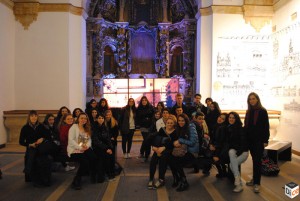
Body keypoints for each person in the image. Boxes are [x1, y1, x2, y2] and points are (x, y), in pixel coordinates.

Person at [244, 92, 270, 193]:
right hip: (249, 140)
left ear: (257, 99)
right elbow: (246, 126)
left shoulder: (263, 111)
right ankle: (254, 179)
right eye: (250, 99)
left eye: (253, 98)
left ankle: (257, 183)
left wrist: (265, 140)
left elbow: (266, 126)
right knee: (253, 161)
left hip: (258, 141)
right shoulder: (248, 111)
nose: (252, 101)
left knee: (257, 162)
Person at [19, 110, 51, 186]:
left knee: (42, 158)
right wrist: (29, 144)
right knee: (32, 153)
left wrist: (42, 139)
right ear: (29, 117)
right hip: (31, 147)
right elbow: (21, 141)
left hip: (41, 146)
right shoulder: (25, 128)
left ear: (37, 117)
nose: (34, 118)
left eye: (35, 116)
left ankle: (29, 170)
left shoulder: (41, 126)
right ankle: (36, 179)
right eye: (32, 116)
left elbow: (48, 137)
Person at [67, 112, 97, 190]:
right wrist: (80, 147)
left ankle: (90, 174)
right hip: (74, 149)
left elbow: (89, 140)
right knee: (85, 162)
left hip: (84, 147)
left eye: (85, 118)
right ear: (78, 119)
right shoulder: (74, 127)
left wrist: (87, 146)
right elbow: (71, 140)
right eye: (82, 118)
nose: (83, 120)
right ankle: (76, 180)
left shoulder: (86, 128)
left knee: (93, 157)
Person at [171, 113, 199, 192]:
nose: (181, 122)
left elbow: (193, 142)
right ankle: (177, 178)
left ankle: (184, 182)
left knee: (178, 162)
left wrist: (180, 140)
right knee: (171, 159)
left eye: (183, 120)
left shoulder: (191, 127)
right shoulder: (180, 128)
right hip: (184, 151)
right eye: (179, 120)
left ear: (186, 120)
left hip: (192, 152)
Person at [147, 116, 177, 189]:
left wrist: (164, 148)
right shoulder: (162, 129)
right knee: (153, 160)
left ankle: (161, 179)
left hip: (169, 150)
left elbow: (174, 144)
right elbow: (156, 139)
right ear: (165, 123)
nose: (169, 124)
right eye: (168, 123)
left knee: (163, 160)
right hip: (158, 149)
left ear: (174, 124)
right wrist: (154, 147)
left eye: (171, 123)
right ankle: (151, 178)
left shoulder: (175, 132)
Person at [227, 112, 249, 193]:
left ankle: (238, 183)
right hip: (235, 152)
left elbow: (244, 145)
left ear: (236, 119)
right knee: (231, 153)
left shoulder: (241, 129)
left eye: (233, 118)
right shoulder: (229, 128)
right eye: (230, 117)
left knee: (232, 164)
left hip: (243, 152)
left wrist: (237, 153)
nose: (231, 119)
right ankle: (238, 183)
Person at [92, 114, 114, 182]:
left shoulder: (105, 127)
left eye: (102, 118)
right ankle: (101, 177)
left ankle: (107, 174)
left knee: (110, 155)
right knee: (102, 157)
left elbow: (108, 139)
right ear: (96, 119)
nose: (101, 119)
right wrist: (106, 149)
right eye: (99, 118)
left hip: (105, 146)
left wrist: (110, 148)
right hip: (97, 147)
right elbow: (96, 141)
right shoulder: (94, 128)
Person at [209, 113, 229, 178]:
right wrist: (211, 144)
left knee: (214, 158)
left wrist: (214, 149)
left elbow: (221, 142)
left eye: (223, 119)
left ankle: (221, 172)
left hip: (220, 149)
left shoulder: (222, 128)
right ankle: (223, 172)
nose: (220, 119)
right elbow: (213, 138)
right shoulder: (217, 126)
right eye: (220, 117)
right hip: (217, 147)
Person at [136, 96, 155, 162]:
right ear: (141, 101)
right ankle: (146, 155)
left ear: (147, 101)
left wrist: (149, 120)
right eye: (143, 100)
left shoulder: (151, 107)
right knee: (147, 139)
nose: (144, 101)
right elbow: (138, 118)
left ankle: (142, 152)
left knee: (147, 140)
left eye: (145, 100)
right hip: (143, 127)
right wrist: (144, 119)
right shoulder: (139, 109)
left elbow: (153, 116)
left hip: (150, 127)